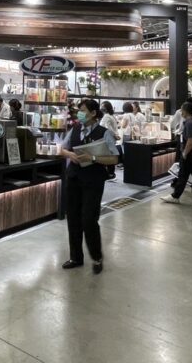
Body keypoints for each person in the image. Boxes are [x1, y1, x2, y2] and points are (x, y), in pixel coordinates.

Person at [59, 99, 119, 274]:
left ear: (93, 113)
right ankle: (76, 257)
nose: (80, 114)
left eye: (83, 111)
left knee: (89, 219)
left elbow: (114, 158)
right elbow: (61, 149)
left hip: (93, 181)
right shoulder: (75, 129)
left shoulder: (104, 133)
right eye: (79, 110)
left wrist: (92, 158)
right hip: (73, 178)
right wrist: (71, 155)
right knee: (73, 218)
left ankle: (96, 257)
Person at [99, 101, 120, 181]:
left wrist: (114, 135)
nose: (101, 107)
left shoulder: (106, 116)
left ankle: (110, 174)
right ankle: (111, 173)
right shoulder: (111, 116)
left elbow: (108, 128)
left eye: (102, 106)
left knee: (107, 156)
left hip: (108, 139)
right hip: (111, 139)